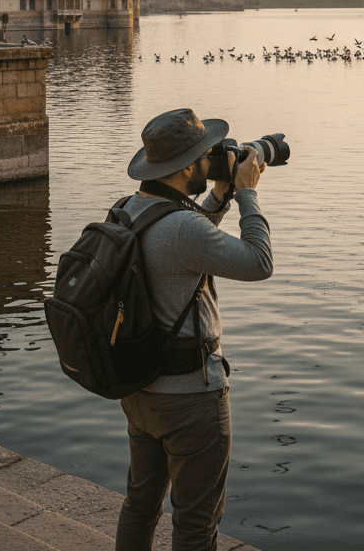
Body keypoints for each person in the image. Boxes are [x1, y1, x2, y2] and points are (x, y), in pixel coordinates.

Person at [115, 109, 273, 551]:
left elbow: (182, 240)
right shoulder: (183, 228)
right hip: (190, 400)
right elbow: (259, 263)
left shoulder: (129, 209)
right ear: (187, 167)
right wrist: (245, 195)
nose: (213, 159)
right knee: (196, 525)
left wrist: (218, 195)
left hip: (141, 389)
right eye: (206, 155)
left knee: (140, 505)